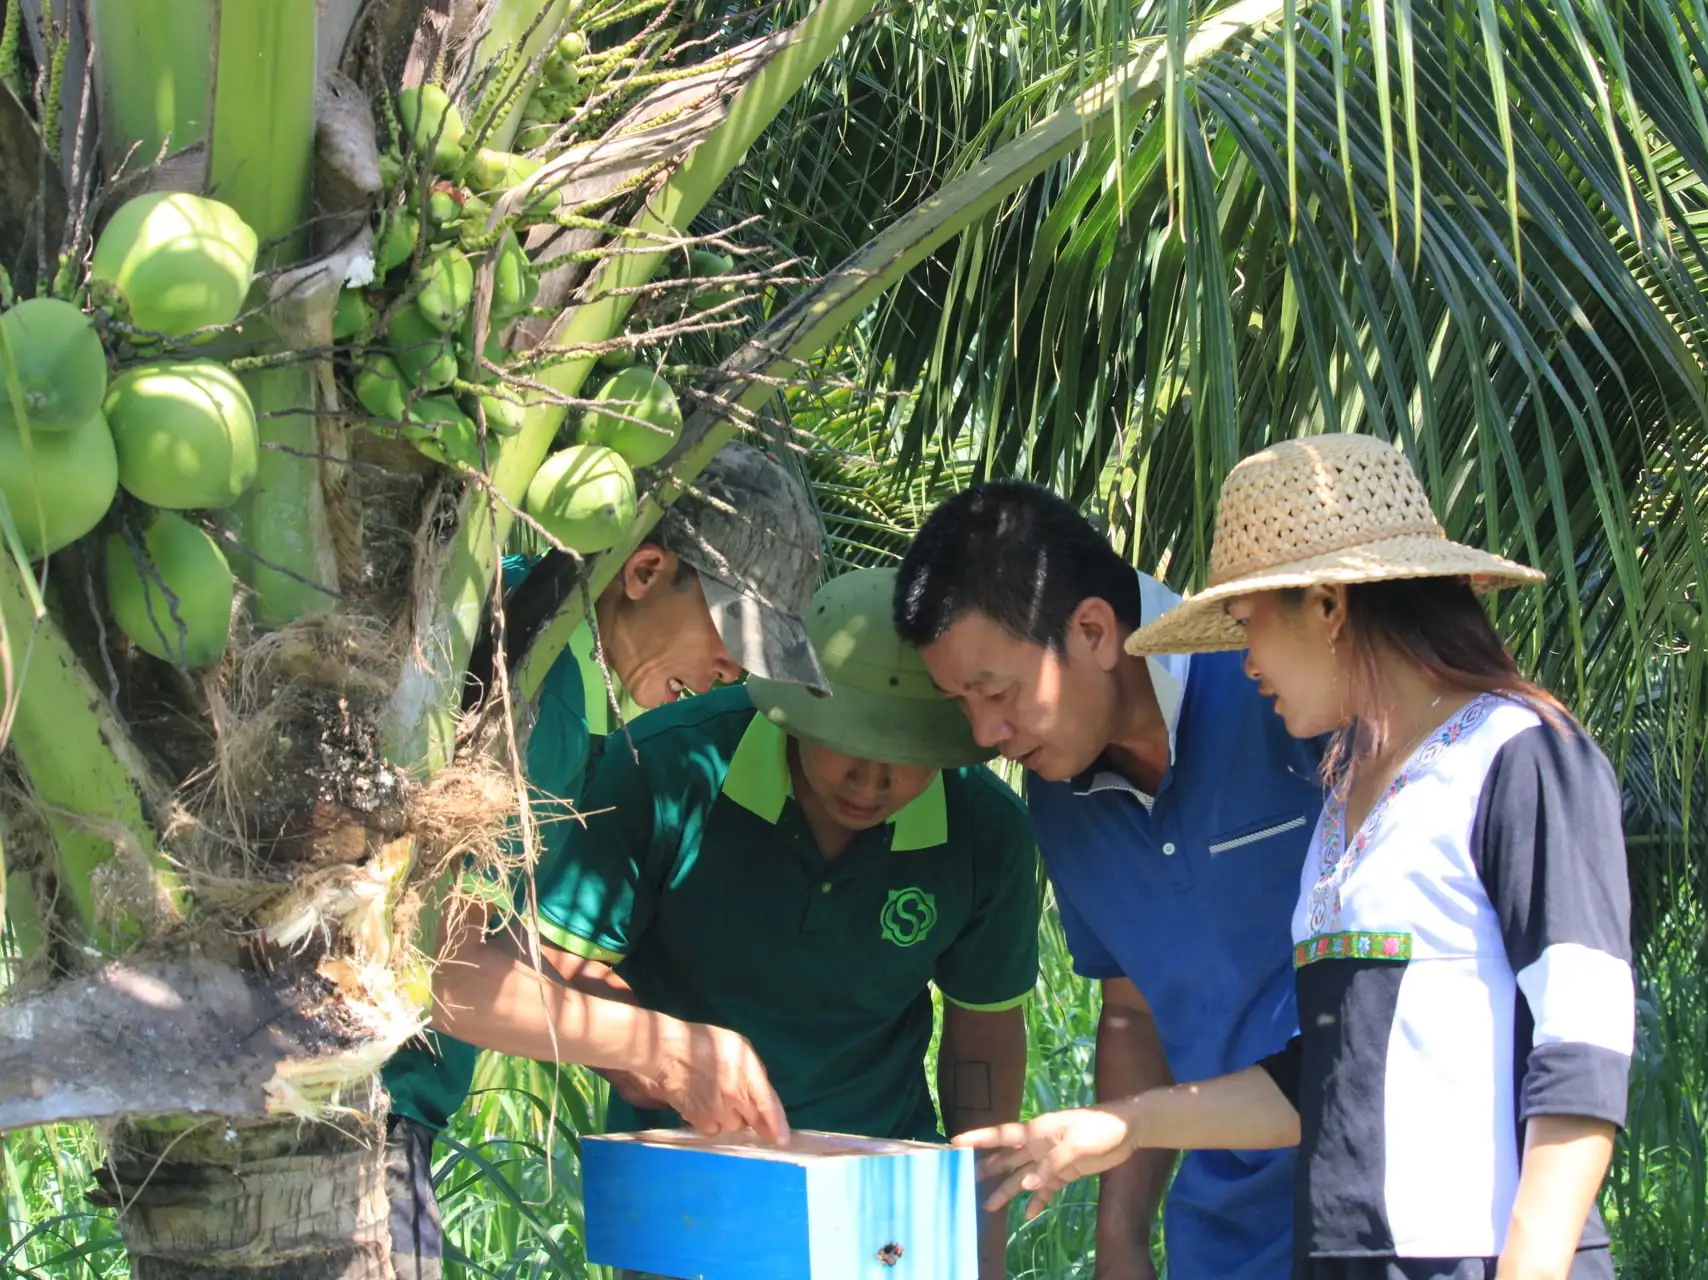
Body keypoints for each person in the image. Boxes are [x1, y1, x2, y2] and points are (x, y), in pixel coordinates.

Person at [956, 434, 1635, 1280]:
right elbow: (1314, 1078)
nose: (1244, 664)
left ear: (1328, 606)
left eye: (1248, 626)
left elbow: (1584, 1054)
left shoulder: (1523, 753)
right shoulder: (1349, 799)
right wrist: (1119, 1126)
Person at [433, 566, 1041, 1280]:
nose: (871, 784)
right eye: (849, 745)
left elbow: (983, 1035)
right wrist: (650, 1056)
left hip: (885, 1209)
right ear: (792, 706)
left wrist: (981, 1242)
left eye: (907, 762)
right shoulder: (663, 768)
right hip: (691, 1193)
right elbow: (552, 961)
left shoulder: (987, 833)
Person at [383, 440, 830, 1280]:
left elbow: (476, 928)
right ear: (645, 570)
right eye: (730, 634)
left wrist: (623, 1034)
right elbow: (432, 969)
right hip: (359, 1123)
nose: (732, 674)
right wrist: (660, 1047)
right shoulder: (539, 688)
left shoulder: (530, 628)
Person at [893, 484, 1326, 1280]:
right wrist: (1120, 1237)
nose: (986, 735)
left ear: (1093, 629)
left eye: (998, 693)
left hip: (1380, 1217)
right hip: (1223, 1239)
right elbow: (1132, 1012)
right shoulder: (1058, 796)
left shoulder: (1284, 686)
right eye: (963, 705)